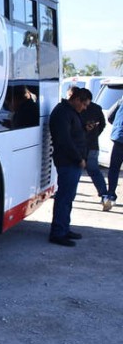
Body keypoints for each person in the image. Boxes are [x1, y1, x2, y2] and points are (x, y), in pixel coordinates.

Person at [48, 87, 91, 246]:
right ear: (77, 99)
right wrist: (78, 158)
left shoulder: (70, 112)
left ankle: (64, 228)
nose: (85, 108)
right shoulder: (62, 113)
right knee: (64, 197)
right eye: (84, 104)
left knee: (68, 197)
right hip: (68, 162)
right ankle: (58, 232)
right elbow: (64, 140)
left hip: (72, 161)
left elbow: (73, 134)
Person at [73, 87, 110, 209]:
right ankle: (104, 195)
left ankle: (70, 195)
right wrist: (95, 134)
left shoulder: (76, 109)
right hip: (93, 144)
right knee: (94, 172)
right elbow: (103, 124)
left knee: (75, 172)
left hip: (79, 146)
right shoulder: (97, 108)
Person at [105, 99, 123, 210]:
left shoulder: (121, 100)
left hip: (119, 138)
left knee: (114, 168)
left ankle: (110, 195)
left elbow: (109, 115)